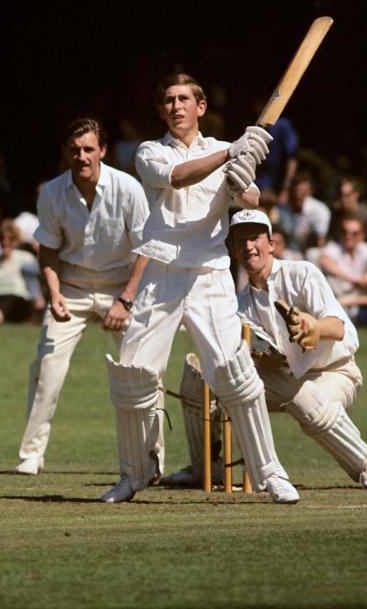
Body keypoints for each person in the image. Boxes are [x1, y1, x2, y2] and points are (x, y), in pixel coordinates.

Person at [101, 73, 299, 505]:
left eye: (184, 99)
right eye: (168, 100)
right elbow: (176, 177)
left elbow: (250, 199)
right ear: (162, 110)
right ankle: (134, 475)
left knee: (235, 375)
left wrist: (243, 178)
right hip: (161, 276)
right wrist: (232, 152)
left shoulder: (222, 151)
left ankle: (271, 474)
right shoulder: (149, 152)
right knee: (132, 375)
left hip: (210, 275)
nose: (176, 106)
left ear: (201, 107)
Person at [161, 209, 367, 491]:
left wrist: (313, 327)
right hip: (283, 375)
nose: (248, 247)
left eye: (255, 238)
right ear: (232, 249)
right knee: (200, 379)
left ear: (271, 243)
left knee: (309, 404)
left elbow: (339, 328)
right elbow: (261, 356)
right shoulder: (239, 304)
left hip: (333, 371)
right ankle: (206, 467)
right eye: (240, 241)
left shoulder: (302, 273)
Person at [15, 118, 151, 476]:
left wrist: (126, 299)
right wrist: (54, 293)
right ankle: (32, 453)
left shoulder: (128, 188)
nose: (82, 156)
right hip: (71, 288)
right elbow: (48, 249)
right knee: (47, 368)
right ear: (65, 152)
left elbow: (146, 249)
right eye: (75, 150)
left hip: (122, 287)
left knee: (141, 371)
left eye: (89, 149)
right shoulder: (52, 192)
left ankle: (151, 457)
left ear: (102, 151)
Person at [276, 172, 331, 253]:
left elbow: (321, 240)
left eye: (302, 193)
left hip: (311, 253)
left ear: (309, 192)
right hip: (287, 252)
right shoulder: (281, 209)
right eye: (295, 192)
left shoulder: (320, 210)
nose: (298, 196)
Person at [329, 177, 367, 247]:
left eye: (346, 195)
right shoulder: (336, 213)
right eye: (340, 195)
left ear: (355, 195)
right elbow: (332, 238)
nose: (343, 199)